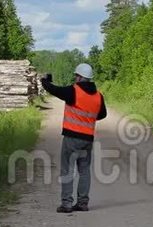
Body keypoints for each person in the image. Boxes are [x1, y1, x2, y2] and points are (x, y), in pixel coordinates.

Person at [40, 63, 107, 213]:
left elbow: (55, 90)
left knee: (67, 169)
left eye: (76, 75)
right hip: (88, 139)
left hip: (72, 138)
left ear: (80, 77)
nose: (75, 78)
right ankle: (83, 203)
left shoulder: (74, 91)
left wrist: (45, 81)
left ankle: (67, 204)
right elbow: (102, 114)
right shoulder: (98, 96)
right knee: (84, 170)